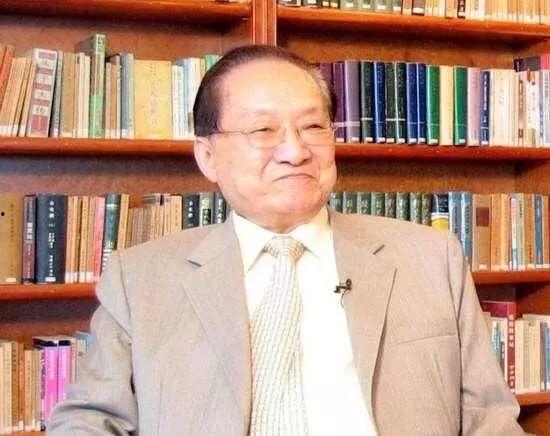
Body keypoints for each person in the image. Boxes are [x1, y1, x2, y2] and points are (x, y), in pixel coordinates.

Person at [48, 45, 523, 435]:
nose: (295, 151)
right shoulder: (141, 279)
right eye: (263, 130)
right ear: (208, 156)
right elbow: (90, 420)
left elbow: (490, 420)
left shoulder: (430, 257)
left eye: (313, 126)